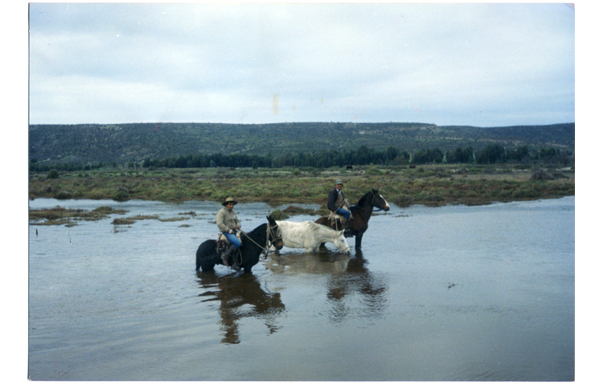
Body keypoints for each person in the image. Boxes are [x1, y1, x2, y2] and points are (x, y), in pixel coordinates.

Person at [216, 197, 242, 267]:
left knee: (245, 238)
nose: (231, 206)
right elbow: (220, 224)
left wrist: (238, 225)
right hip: (226, 232)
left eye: (232, 204)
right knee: (237, 243)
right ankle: (225, 256)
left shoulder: (233, 212)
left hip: (234, 230)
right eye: (230, 204)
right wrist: (229, 230)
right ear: (226, 205)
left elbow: (237, 221)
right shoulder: (221, 212)